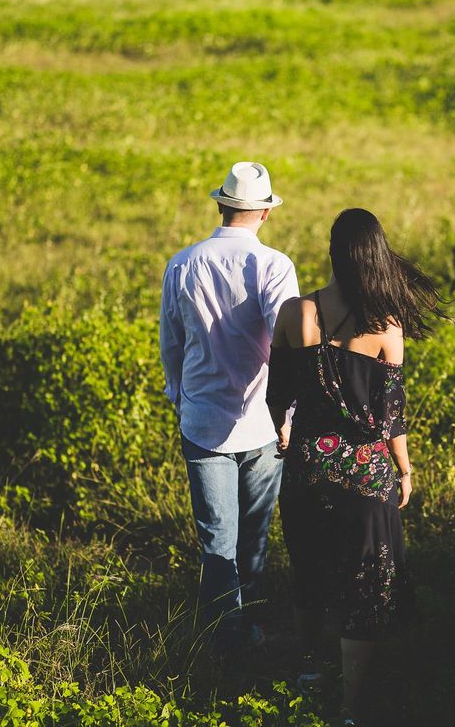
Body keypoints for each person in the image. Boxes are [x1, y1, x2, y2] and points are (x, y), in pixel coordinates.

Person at [266, 208, 446, 725]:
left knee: (308, 568)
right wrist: (405, 470)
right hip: (366, 476)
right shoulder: (386, 326)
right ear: (375, 257)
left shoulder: (295, 313)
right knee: (363, 585)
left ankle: (308, 669)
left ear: (331, 253)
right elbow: (392, 417)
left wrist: (283, 429)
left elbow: (277, 395)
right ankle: (349, 708)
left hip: (307, 467)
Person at [159, 161, 299, 652]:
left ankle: (224, 640)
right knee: (253, 538)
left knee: (216, 541)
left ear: (221, 205)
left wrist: (179, 397)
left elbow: (171, 343)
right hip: (263, 422)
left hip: (201, 420)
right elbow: (289, 346)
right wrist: (289, 414)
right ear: (265, 213)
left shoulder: (182, 263)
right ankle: (246, 627)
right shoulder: (274, 266)